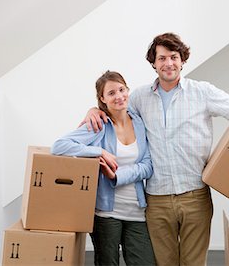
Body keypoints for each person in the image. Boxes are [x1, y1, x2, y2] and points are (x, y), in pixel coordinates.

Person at [83, 33, 229, 266]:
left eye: (174, 57)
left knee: (193, 263)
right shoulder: (138, 97)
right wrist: (93, 111)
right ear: (154, 63)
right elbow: (115, 111)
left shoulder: (202, 92)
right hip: (157, 200)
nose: (168, 63)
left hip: (195, 196)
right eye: (162, 58)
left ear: (182, 60)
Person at [51, 71, 155, 266]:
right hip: (106, 214)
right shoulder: (98, 125)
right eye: (111, 93)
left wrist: (117, 176)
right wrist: (99, 152)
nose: (119, 96)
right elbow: (59, 146)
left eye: (122, 90)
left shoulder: (140, 123)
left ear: (128, 90)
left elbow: (148, 166)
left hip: (137, 212)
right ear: (102, 99)